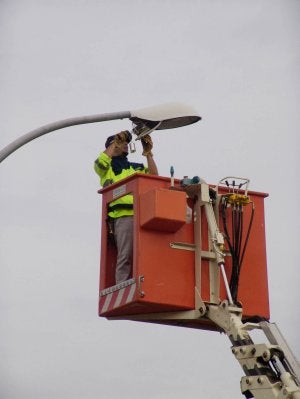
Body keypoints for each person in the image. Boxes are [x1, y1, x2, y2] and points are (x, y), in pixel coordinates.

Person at [94, 130, 158, 285]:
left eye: (125, 143)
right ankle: (122, 286)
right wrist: (116, 141)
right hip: (123, 216)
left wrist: (148, 153)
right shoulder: (106, 169)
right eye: (121, 143)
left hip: (142, 215)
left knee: (146, 252)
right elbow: (100, 161)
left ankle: (145, 283)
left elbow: (154, 177)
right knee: (125, 255)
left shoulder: (135, 167)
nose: (126, 145)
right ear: (112, 146)